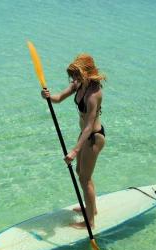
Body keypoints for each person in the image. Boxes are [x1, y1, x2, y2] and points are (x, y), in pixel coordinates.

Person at [41, 54, 106, 229]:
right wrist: (48, 96)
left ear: (86, 72)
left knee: (85, 179)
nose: (74, 79)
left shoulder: (95, 93)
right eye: (73, 76)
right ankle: (91, 208)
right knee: (80, 172)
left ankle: (90, 221)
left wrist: (74, 150)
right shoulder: (78, 84)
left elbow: (89, 126)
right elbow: (59, 98)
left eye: (77, 75)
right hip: (84, 135)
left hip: (93, 137)